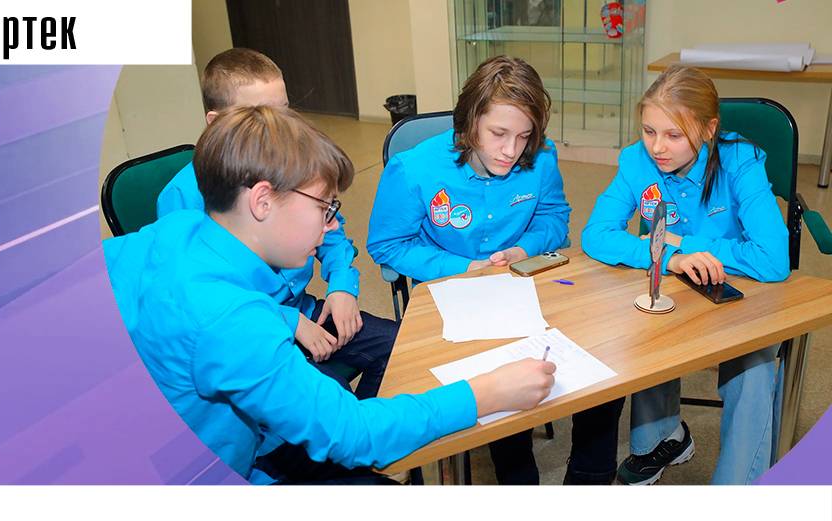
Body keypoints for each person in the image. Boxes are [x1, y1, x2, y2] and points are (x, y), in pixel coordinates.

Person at [105, 105, 558, 484]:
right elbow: (351, 432)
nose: (334, 224)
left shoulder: (177, 230)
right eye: (325, 207)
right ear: (262, 201)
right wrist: (486, 392)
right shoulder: (234, 322)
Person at [366, 55, 624, 485]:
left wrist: (523, 248)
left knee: (602, 361)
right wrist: (466, 266)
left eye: (524, 136)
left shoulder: (540, 157)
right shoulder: (413, 169)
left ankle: (589, 478)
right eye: (499, 134)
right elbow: (387, 244)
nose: (511, 150)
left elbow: (555, 219)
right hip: (451, 297)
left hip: (525, 282)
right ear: (469, 124)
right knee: (505, 381)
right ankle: (518, 480)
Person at [582, 65, 789, 485]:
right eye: (649, 131)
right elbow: (595, 235)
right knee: (643, 321)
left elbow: (772, 259)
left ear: (709, 129)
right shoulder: (636, 160)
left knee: (754, 368)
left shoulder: (741, 161)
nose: (657, 147)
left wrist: (687, 243)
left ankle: (738, 485)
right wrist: (671, 256)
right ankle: (664, 439)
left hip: (738, 288)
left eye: (674, 135)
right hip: (676, 280)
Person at [157, 48, 396, 400]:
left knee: (399, 347)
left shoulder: (294, 168)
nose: (280, 127)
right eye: (258, 115)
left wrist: (342, 285)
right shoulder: (183, 197)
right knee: (330, 395)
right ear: (215, 122)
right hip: (248, 331)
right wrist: (289, 321)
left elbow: (330, 228)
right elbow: (201, 301)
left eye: (284, 111)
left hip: (303, 308)